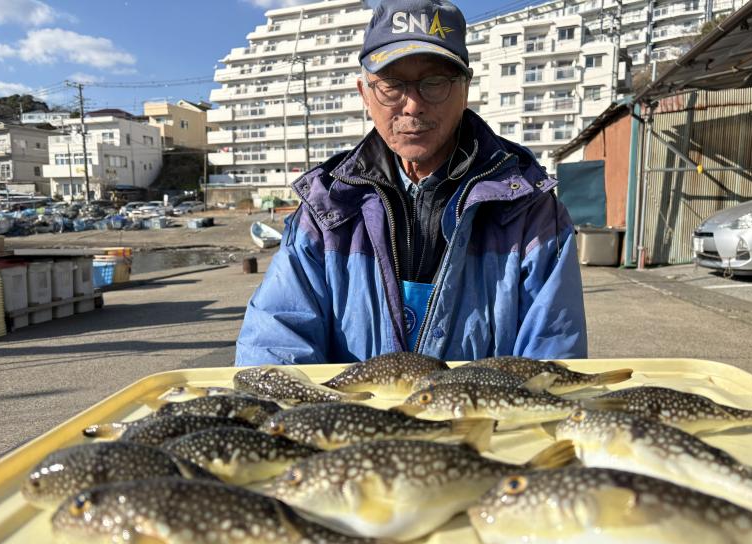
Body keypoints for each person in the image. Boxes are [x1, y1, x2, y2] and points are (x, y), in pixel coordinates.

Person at [236, 0, 586, 366]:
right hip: (354, 423)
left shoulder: (531, 213)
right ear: (365, 94)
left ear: (464, 88)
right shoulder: (326, 211)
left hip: (484, 423)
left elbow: (551, 367)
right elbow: (273, 349)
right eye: (391, 85)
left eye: (434, 82)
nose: (413, 105)